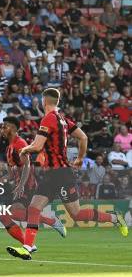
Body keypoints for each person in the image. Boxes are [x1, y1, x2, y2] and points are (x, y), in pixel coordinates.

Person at [7, 88, 128, 260]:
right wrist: (79, 158)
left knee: (76, 214)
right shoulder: (63, 119)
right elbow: (83, 137)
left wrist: (24, 150)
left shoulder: (48, 118)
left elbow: (37, 146)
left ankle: (115, 218)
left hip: (61, 173)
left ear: (44, 101)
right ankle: (28, 247)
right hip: (51, 174)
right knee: (34, 208)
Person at [0, 117, 67, 252]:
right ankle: (33, 240)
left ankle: (31, 242)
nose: (1, 129)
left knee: (9, 213)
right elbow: (11, 174)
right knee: (5, 216)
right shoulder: (9, 148)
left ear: (12, 129)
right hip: (19, 187)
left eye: (4, 126)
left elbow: (28, 165)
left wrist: (21, 185)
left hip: (27, 186)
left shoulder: (20, 143)